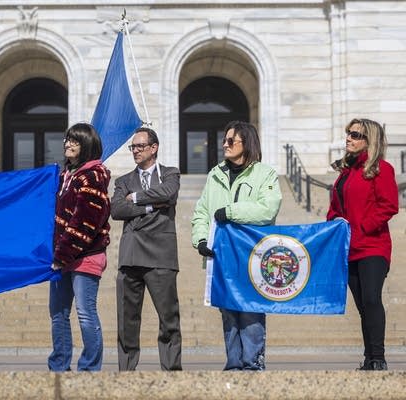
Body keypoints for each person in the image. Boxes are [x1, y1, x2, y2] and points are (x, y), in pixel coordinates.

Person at [191, 120, 281, 371]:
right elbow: (201, 211)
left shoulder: (265, 174)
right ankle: (233, 365)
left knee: (251, 312)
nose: (225, 144)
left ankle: (252, 365)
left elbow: (267, 209)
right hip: (222, 256)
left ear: (247, 143)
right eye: (224, 140)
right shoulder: (215, 174)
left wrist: (230, 211)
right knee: (229, 314)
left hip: (252, 256)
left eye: (231, 141)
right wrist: (199, 239)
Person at [327, 118, 399, 371]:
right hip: (349, 249)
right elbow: (335, 208)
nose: (349, 138)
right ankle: (369, 358)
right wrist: (335, 221)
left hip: (372, 246)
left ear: (370, 140)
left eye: (356, 135)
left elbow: (389, 205)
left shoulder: (381, 168)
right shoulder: (345, 173)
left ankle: (378, 358)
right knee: (362, 306)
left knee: (371, 299)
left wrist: (361, 227)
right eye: (348, 133)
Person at [111, 127, 182, 371]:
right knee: (127, 319)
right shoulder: (123, 181)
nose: (135, 151)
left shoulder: (170, 174)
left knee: (168, 318)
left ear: (154, 148)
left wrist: (137, 198)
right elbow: (118, 210)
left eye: (140, 146)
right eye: (133, 147)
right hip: (131, 256)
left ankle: (172, 370)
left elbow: (168, 194)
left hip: (161, 255)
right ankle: (126, 370)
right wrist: (151, 207)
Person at [48, 122, 111, 372]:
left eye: (74, 140)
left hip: (85, 255)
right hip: (61, 257)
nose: (68, 144)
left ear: (87, 145)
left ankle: (89, 368)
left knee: (85, 313)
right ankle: (59, 367)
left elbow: (85, 222)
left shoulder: (93, 176)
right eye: (67, 139)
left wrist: (62, 255)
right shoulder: (65, 175)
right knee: (58, 314)